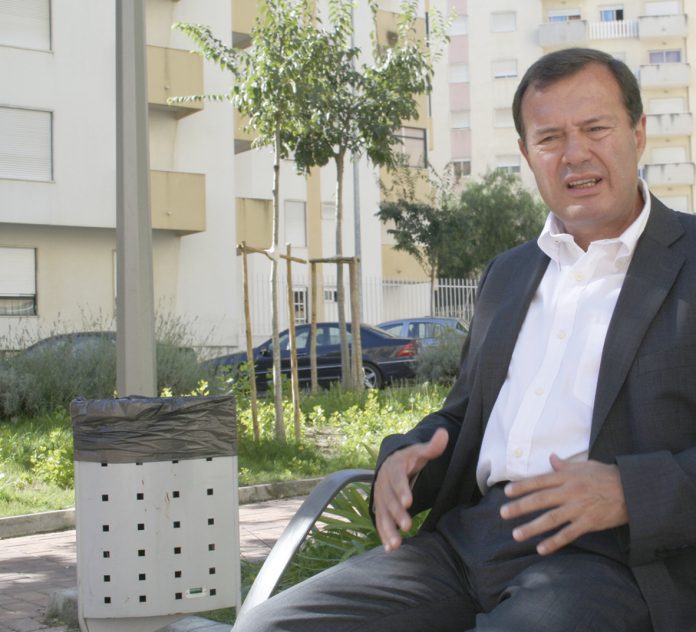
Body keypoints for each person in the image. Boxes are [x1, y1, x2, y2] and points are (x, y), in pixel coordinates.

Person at [234, 47, 696, 632]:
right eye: (550, 138)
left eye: (595, 128)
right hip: (468, 541)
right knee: (267, 627)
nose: (575, 153)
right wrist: (406, 457)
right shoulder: (509, 273)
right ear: (527, 154)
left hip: (610, 558)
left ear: (638, 132)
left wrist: (628, 492)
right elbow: (464, 415)